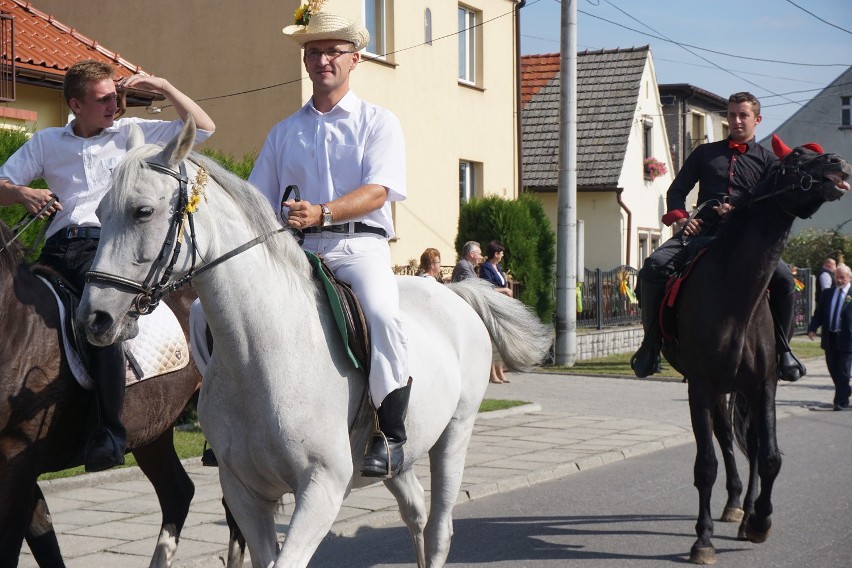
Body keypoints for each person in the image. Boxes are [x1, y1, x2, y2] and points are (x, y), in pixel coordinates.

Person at [0, 60, 215, 472]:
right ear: (75, 104)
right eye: (103, 99)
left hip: (108, 249)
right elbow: (1, 185)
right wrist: (22, 192)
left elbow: (203, 128)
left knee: (101, 323)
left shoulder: (132, 132)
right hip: (56, 250)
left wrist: (164, 83)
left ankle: (110, 430)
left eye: (115, 96)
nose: (114, 104)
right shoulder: (46, 142)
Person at [248, 8, 410, 478]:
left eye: (333, 52)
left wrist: (323, 212)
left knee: (380, 312)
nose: (323, 60)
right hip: (299, 250)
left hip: (360, 247)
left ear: (354, 59)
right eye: (313, 51)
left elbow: (379, 190)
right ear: (305, 60)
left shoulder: (379, 122)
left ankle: (390, 431)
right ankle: (236, 419)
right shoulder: (284, 132)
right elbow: (259, 200)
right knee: (209, 312)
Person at [630, 92, 804, 382]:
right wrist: (683, 219)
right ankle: (651, 345)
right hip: (703, 229)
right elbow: (676, 192)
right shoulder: (704, 154)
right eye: (732, 114)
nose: (736, 120)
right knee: (653, 267)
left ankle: (783, 350)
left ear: (757, 120)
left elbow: (774, 206)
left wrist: (739, 207)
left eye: (743, 115)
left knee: (785, 279)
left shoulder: (769, 163)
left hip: (748, 237)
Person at [807, 263, 852, 410]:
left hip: (847, 338)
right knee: (833, 368)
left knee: (844, 370)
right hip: (830, 337)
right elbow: (819, 313)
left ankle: (841, 401)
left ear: (849, 277)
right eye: (837, 277)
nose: (839, 280)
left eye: (842, 277)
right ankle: (845, 390)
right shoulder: (828, 293)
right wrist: (812, 328)